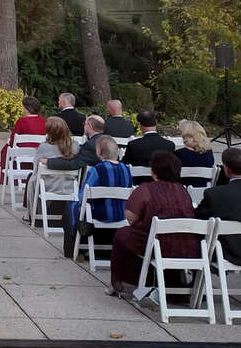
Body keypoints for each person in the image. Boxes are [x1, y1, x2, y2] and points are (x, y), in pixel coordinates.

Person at [109, 151, 198, 297]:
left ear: (154, 170)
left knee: (122, 234)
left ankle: (120, 280)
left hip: (156, 243)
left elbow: (130, 217)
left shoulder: (145, 190)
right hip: (185, 244)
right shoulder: (183, 191)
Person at [62, 136, 132, 258]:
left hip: (99, 214)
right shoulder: (126, 169)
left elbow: (83, 195)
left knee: (71, 207)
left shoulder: (96, 170)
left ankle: (73, 249)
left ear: (99, 153)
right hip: (121, 214)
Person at [24, 117, 78, 211]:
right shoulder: (75, 145)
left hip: (48, 186)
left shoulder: (44, 147)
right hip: (70, 185)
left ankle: (32, 213)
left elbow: (36, 168)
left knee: (31, 178)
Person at [0, 96, 46, 184]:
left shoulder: (21, 121)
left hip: (23, 151)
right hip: (39, 150)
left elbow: (13, 139)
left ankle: (7, 178)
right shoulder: (43, 121)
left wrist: (9, 143)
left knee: (5, 150)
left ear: (27, 109)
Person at [122, 110, 176, 179]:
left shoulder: (134, 145)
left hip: (139, 185)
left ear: (140, 125)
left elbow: (123, 164)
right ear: (156, 123)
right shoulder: (169, 145)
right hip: (162, 185)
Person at [174, 119, 214, 187]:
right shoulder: (209, 153)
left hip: (182, 193)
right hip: (203, 192)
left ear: (185, 135)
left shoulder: (179, 154)